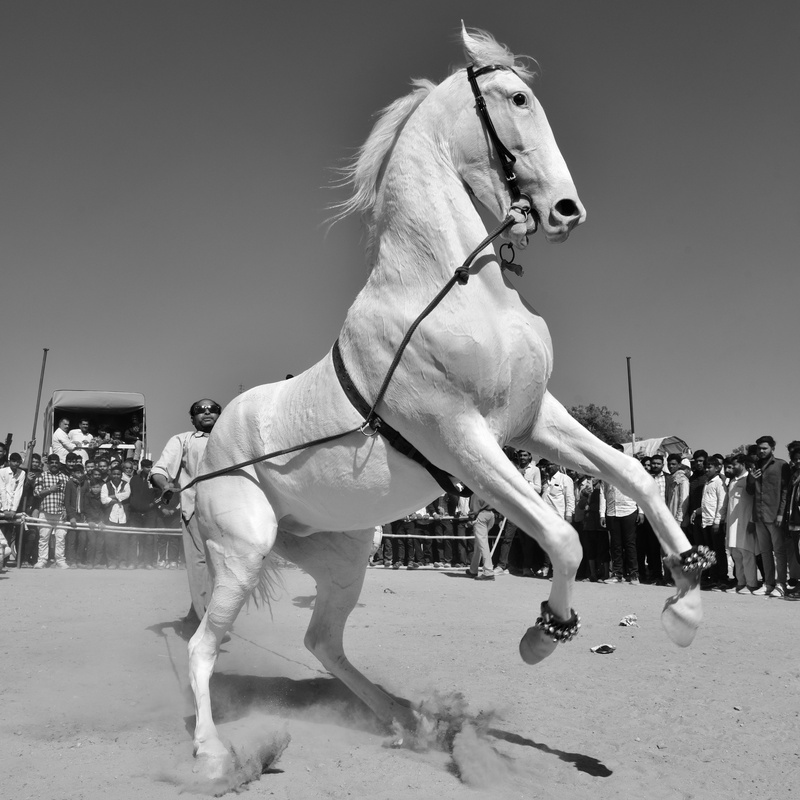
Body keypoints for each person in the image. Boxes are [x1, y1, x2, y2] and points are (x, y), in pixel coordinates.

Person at [150, 399, 222, 628]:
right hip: (197, 511)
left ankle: (195, 615)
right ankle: (207, 624)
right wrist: (165, 486)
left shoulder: (233, 440)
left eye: (212, 409)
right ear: (192, 419)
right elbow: (160, 470)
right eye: (200, 410)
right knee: (201, 564)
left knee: (221, 567)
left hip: (231, 514)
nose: (207, 412)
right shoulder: (183, 440)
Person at [748, 435, 790, 597]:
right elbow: (750, 491)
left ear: (772, 448)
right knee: (765, 551)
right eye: (759, 448)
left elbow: (785, 491)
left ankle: (781, 584)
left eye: (765, 448)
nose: (761, 451)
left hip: (774, 516)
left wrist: (781, 513)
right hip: (758, 516)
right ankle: (768, 584)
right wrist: (752, 478)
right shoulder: (755, 467)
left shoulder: (781, 465)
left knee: (779, 551)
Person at [600, 444, 641, 584]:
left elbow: (638, 491)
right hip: (612, 512)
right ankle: (617, 574)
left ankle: (634, 575)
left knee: (630, 544)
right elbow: (602, 494)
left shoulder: (631, 470)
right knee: (615, 545)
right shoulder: (605, 472)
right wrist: (602, 514)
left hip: (629, 510)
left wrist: (640, 511)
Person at [722, 454, 759, 593]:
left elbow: (755, 501)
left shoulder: (749, 479)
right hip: (732, 524)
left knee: (747, 553)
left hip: (745, 521)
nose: (732, 468)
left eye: (735, 465)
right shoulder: (732, 480)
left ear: (743, 464)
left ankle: (751, 584)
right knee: (736, 553)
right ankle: (740, 583)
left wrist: (752, 520)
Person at [694, 456, 727, 588]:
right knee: (710, 552)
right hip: (705, 521)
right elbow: (707, 503)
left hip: (715, 522)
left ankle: (722, 578)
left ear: (717, 468)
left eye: (710, 467)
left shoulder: (719, 483)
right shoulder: (707, 483)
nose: (707, 469)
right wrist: (697, 512)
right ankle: (713, 578)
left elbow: (721, 504)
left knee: (719, 551)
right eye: (706, 467)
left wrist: (717, 522)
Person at [33, 454, 69, 569]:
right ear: (48, 464)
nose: (54, 464)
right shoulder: (41, 476)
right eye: (51, 462)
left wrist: (66, 510)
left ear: (59, 464)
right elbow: (36, 493)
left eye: (56, 462)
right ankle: (42, 560)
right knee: (43, 538)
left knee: (61, 539)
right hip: (45, 512)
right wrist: (50, 489)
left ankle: (60, 560)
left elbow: (67, 497)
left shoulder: (65, 478)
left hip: (60, 513)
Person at [128, 459, 159, 568]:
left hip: (150, 513)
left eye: (151, 467)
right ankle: (133, 562)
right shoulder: (134, 479)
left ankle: (147, 562)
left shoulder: (155, 480)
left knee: (149, 538)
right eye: (147, 467)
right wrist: (133, 505)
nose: (149, 469)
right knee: (133, 538)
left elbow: (161, 497)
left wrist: (153, 504)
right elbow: (130, 494)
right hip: (135, 513)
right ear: (142, 467)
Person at [101, 464, 131, 569]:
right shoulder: (106, 485)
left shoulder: (126, 484)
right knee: (110, 542)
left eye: (118, 474)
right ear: (111, 474)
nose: (116, 476)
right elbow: (103, 500)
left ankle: (122, 562)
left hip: (123, 517)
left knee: (123, 542)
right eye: (114, 474)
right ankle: (112, 562)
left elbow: (127, 495)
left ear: (121, 475)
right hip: (110, 517)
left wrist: (112, 497)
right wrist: (119, 498)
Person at [0, 452, 26, 565]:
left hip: (13, 509)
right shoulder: (2, 472)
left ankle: (4, 562)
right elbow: (2, 490)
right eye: (13, 461)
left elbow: (19, 491)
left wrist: (14, 509)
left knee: (9, 535)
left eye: (18, 462)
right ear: (9, 461)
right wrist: (5, 509)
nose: (15, 464)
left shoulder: (22, 473)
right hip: (2, 507)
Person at [465, 491, 496, 580]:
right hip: (491, 514)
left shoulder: (475, 488)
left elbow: (474, 507)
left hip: (481, 515)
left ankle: (488, 571)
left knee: (482, 544)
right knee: (479, 544)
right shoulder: (488, 487)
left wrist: (471, 518)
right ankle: (473, 570)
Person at [64, 462, 89, 567]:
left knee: (82, 539)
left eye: (81, 472)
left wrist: (86, 515)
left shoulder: (86, 483)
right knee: (72, 539)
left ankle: (79, 560)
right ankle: (71, 560)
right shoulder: (70, 483)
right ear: (73, 473)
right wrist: (71, 516)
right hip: (73, 514)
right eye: (77, 473)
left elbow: (87, 500)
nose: (79, 475)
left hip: (82, 515)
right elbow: (67, 501)